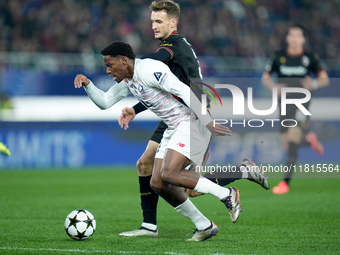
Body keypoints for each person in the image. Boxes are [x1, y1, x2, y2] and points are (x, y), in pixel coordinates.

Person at [117, 0, 269, 236]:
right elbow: (158, 88)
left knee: (188, 187)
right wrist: (136, 109)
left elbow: (149, 68)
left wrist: (125, 63)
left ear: (173, 22)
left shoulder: (171, 47)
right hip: (175, 115)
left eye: (159, 21)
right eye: (152, 22)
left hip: (195, 115)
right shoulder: (172, 47)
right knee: (147, 166)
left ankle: (242, 172)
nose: (154, 26)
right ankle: (149, 225)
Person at [74, 41, 242, 241]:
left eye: (110, 65)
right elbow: (105, 102)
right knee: (158, 183)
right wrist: (88, 84)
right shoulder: (128, 80)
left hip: (190, 121)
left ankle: (226, 194)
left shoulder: (149, 70)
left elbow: (184, 91)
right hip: (173, 126)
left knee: (171, 173)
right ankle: (204, 225)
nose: (108, 71)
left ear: (124, 60)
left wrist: (208, 121)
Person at [262, 24, 329, 195]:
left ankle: (285, 183)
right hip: (284, 104)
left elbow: (324, 79)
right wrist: (273, 87)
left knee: (292, 136)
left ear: (303, 39)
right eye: (291, 35)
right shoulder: (278, 57)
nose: (294, 39)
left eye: (298, 36)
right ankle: (309, 141)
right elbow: (266, 78)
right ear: (287, 38)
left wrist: (313, 83)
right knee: (287, 146)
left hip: (302, 103)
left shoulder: (309, 58)